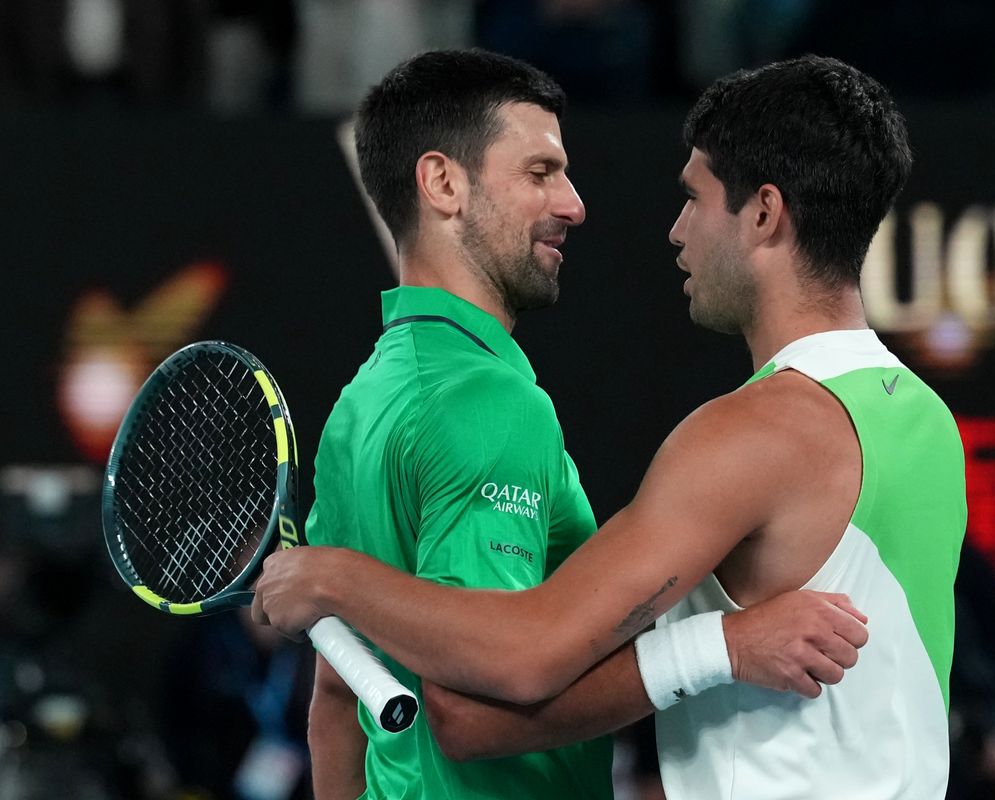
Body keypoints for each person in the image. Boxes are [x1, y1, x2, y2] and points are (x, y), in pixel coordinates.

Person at [272, 49, 871, 800]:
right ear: (442, 183)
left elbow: (337, 703)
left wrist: (337, 584)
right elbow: (475, 698)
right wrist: (725, 644)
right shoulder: (485, 402)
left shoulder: (363, 401)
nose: (574, 204)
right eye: (540, 172)